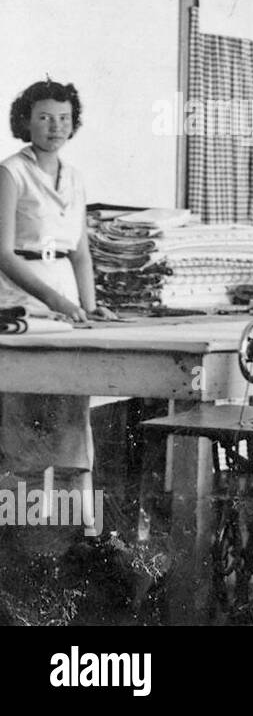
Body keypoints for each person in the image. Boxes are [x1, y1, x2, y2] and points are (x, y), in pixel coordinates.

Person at [0, 80, 116, 552]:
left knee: (71, 415)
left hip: (66, 304)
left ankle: (73, 539)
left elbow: (81, 251)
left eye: (64, 118)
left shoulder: (75, 176)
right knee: (24, 420)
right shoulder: (10, 174)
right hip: (20, 301)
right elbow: (4, 255)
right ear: (25, 120)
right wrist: (57, 303)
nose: (55, 127)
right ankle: (20, 539)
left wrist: (88, 306)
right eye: (45, 117)